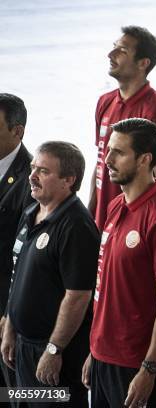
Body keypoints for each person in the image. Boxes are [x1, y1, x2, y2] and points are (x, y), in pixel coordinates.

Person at [83, 118, 156, 407]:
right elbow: (107, 284)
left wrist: (149, 368)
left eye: (118, 152)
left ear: (144, 160)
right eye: (108, 150)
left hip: (136, 365)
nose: (107, 159)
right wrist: (95, 350)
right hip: (104, 355)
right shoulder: (117, 204)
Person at [1, 141, 99, 407]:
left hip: (52, 356)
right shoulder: (32, 211)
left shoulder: (77, 227)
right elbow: (17, 272)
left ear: (69, 179)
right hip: (22, 348)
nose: (32, 176)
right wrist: (10, 325)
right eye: (33, 167)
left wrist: (54, 350)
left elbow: (77, 297)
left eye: (43, 171)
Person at [89, 25, 156, 229]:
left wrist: (139, 228)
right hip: (101, 224)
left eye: (122, 50)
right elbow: (100, 162)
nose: (111, 54)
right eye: (114, 47)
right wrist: (90, 213)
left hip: (131, 228)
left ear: (143, 63)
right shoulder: (104, 102)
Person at [0, 93, 33, 397]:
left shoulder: (33, 178)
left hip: (7, 303)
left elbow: (24, 255)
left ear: (17, 131)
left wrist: (10, 312)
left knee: (11, 389)